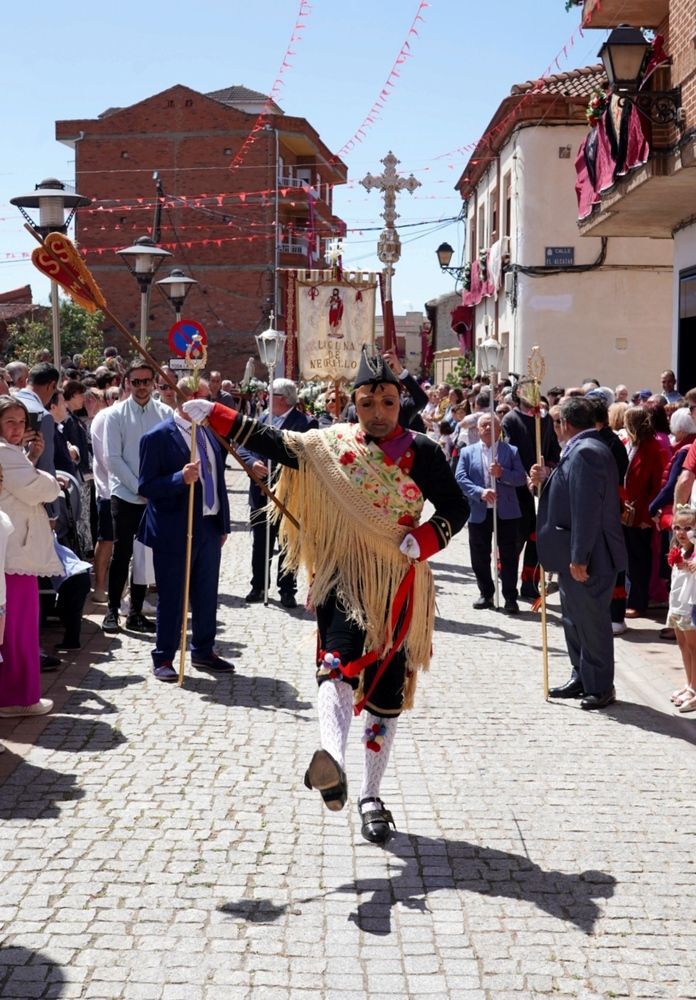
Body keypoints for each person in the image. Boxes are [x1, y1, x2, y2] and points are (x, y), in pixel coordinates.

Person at [183, 351, 467, 844]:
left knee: (385, 692)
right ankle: (331, 756)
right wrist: (216, 413)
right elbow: (277, 442)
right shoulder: (330, 444)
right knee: (335, 663)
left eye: (388, 401)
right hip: (341, 575)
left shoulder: (423, 451)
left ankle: (371, 796)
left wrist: (425, 539)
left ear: (401, 402)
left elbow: (457, 508)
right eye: (367, 402)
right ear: (354, 403)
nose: (378, 411)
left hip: (397, 580)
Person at [533, 397, 627, 710]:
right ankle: (581, 676)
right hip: (575, 553)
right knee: (573, 620)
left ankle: (600, 685)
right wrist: (547, 480)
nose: (556, 428)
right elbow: (571, 492)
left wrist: (579, 556)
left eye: (557, 423)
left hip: (590, 556)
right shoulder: (581, 448)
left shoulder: (587, 451)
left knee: (592, 622)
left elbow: (587, 508)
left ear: (566, 424)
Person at [138, 379, 232, 682]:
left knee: (206, 592)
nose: (209, 405)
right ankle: (164, 656)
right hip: (173, 528)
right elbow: (147, 486)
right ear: (187, 399)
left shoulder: (209, 433)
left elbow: (219, 481)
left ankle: (203, 649)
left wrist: (222, 522)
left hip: (207, 524)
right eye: (204, 399)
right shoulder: (157, 437)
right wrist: (179, 478)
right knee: (173, 595)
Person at [0, 397, 62, 718]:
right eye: (9, 421)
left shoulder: (11, 454)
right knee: (17, 631)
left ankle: (17, 694)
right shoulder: (3, 452)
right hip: (13, 555)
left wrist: (32, 459)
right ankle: (16, 698)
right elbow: (38, 489)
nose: (17, 428)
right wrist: (50, 480)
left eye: (21, 422)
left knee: (18, 629)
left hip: (13, 552)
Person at [101, 363, 170, 634]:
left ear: (154, 383)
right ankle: (111, 611)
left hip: (154, 497)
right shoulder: (115, 415)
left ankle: (136, 612)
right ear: (127, 383)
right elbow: (112, 458)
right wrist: (139, 486)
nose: (141, 387)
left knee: (145, 556)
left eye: (146, 381)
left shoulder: (165, 414)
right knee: (122, 554)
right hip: (126, 495)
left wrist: (156, 488)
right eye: (136, 381)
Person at [237, 378, 314, 608]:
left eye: (270, 395)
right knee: (260, 541)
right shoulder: (261, 419)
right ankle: (258, 585)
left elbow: (305, 457)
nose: (266, 398)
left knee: (288, 543)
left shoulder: (306, 424)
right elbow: (243, 447)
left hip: (289, 494)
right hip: (261, 491)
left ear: (282, 398)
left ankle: (287, 589)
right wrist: (252, 463)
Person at [455, 413, 527, 613]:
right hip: (479, 511)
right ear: (478, 430)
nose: (488, 428)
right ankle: (486, 593)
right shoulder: (467, 452)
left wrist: (502, 474)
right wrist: (480, 492)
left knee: (509, 555)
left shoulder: (510, 451)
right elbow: (460, 478)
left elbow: (521, 478)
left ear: (499, 429)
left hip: (506, 512)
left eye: (492, 425)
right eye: (484, 425)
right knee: (479, 555)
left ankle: (510, 597)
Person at [502, 379, 561, 599]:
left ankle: (530, 581)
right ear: (518, 393)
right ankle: (508, 581)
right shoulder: (511, 419)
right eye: (527, 390)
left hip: (542, 487)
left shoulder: (544, 420)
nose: (532, 394)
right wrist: (524, 476)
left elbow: (554, 451)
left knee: (537, 537)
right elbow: (508, 452)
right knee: (517, 536)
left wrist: (547, 469)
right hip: (518, 487)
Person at [622, 406, 667, 618]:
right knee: (629, 558)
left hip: (641, 515)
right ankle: (628, 597)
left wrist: (648, 516)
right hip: (626, 511)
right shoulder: (630, 444)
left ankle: (638, 603)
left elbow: (657, 485)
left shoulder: (652, 448)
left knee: (639, 560)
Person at [665, 505, 696, 712]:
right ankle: (689, 684)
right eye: (677, 527)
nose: (681, 533)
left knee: (694, 647)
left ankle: (694, 688)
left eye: (687, 528)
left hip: (690, 604)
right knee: (682, 644)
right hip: (676, 603)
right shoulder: (678, 550)